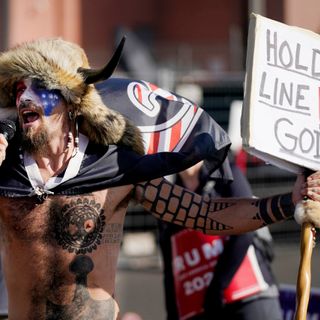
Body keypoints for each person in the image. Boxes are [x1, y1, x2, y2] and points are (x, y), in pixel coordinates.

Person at [0, 37, 318, 320]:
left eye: (39, 86)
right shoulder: (7, 172)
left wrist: (289, 204)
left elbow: (204, 215)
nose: (24, 97)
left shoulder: (114, 166)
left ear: (71, 99)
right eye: (19, 89)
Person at [158, 161, 283, 320]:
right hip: (205, 307)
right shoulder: (166, 199)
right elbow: (170, 269)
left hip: (250, 296)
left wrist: (217, 286)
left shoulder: (227, 175)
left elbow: (246, 230)